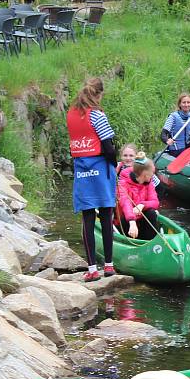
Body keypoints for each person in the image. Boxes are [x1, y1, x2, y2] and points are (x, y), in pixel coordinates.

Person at [66, 77, 116, 282]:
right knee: (106, 215)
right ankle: (110, 266)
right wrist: (115, 164)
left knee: (87, 218)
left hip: (81, 169)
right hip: (100, 167)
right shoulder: (97, 115)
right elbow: (108, 147)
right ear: (99, 94)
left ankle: (92, 268)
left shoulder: (70, 115)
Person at [116, 152, 160, 241]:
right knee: (126, 217)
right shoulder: (123, 183)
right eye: (152, 172)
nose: (153, 174)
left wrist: (142, 205)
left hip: (141, 220)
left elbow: (155, 202)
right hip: (126, 221)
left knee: (151, 213)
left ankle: (150, 242)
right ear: (144, 173)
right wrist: (132, 222)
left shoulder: (149, 182)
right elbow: (125, 202)